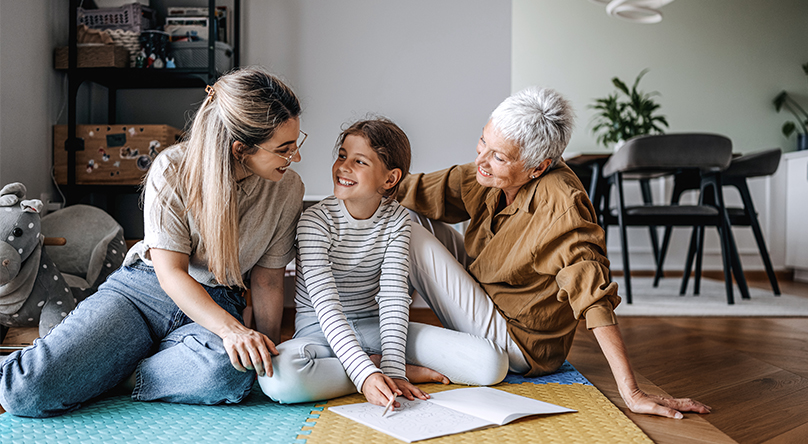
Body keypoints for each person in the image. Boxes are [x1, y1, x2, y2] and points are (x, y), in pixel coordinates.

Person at [0, 67, 306, 417]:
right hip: (143, 292)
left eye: (297, 143)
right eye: (284, 148)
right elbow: (171, 274)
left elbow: (267, 281)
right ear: (240, 149)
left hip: (219, 300)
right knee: (26, 393)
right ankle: (117, 363)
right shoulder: (171, 168)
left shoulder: (288, 189)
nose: (295, 157)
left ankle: (124, 373)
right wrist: (234, 331)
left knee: (233, 372)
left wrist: (268, 359)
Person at [396, 87, 711, 419]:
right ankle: (367, 314)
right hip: (485, 293)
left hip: (517, 339)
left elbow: (593, 296)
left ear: (538, 167)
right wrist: (350, 191)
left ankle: (379, 331)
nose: (481, 160)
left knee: (409, 232)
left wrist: (631, 392)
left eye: (499, 157)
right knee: (403, 212)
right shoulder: (489, 172)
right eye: (482, 141)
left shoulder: (562, 205)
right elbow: (410, 190)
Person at [259, 118, 508, 408]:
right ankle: (370, 370)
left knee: (491, 364)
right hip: (321, 334)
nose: (343, 167)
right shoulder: (315, 221)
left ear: (389, 179)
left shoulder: (399, 221)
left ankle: (380, 370)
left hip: (377, 328)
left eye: (360, 161)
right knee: (280, 378)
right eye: (342, 155)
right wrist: (365, 374)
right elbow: (327, 308)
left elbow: (393, 297)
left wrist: (392, 368)